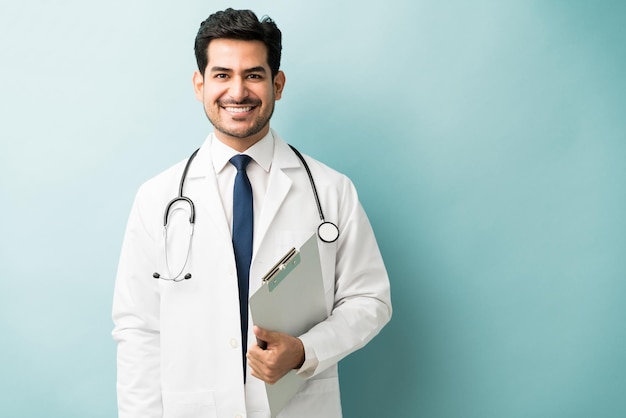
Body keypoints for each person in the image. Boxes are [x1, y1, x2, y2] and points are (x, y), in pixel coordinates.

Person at [112, 8, 391, 418]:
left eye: (254, 75)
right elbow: (138, 330)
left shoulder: (330, 191)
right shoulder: (158, 198)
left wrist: (304, 350)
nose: (238, 91)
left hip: (298, 406)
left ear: (277, 84)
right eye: (222, 75)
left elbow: (370, 300)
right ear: (199, 84)